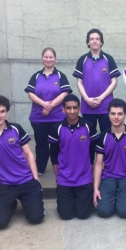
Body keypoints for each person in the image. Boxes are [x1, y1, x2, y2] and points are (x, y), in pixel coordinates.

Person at [0, 94, 45, 230]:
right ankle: (11, 203)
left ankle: (27, 201)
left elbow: (29, 154)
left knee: (36, 218)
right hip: (4, 185)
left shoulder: (16, 129)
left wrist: (35, 179)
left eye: (2, 111)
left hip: (26, 181)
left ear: (6, 112)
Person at [48, 94, 98, 220]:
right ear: (63, 109)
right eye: (68, 108)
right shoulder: (56, 128)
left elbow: (93, 152)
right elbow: (53, 155)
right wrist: (58, 176)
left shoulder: (89, 126)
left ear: (79, 108)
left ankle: (81, 197)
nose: (72, 111)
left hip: (84, 178)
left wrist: (90, 174)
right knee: (66, 215)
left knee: (83, 214)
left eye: (75, 108)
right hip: (64, 178)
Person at [25, 47, 72, 176]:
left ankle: (62, 167)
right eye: (46, 57)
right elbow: (30, 93)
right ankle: (40, 168)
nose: (48, 59)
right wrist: (44, 104)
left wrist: (50, 106)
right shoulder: (36, 76)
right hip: (38, 118)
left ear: (55, 59)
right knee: (41, 144)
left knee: (60, 144)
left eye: (51, 57)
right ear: (42, 59)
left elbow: (65, 93)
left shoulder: (60, 76)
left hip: (57, 117)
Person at [93, 98, 126, 218]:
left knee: (125, 212)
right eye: (113, 113)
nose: (116, 117)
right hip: (108, 177)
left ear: (125, 114)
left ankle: (121, 198)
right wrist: (96, 189)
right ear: (108, 114)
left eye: (120, 114)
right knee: (103, 212)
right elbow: (98, 164)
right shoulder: (102, 136)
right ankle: (112, 196)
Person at [73, 28, 121, 133]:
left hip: (105, 106)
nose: (94, 41)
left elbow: (114, 82)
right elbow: (79, 83)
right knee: (87, 137)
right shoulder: (82, 59)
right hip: (87, 106)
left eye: (97, 39)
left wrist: (101, 98)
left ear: (101, 42)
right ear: (88, 42)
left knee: (107, 135)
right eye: (92, 39)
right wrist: (87, 99)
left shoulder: (109, 59)